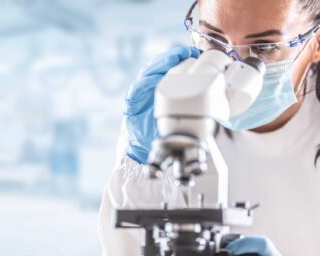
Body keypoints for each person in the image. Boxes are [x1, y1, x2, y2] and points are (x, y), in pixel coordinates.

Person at [98, 0, 320, 255]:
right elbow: (125, 247)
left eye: (263, 47)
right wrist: (138, 161)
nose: (232, 64)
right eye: (214, 42)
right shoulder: (166, 121)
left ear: (316, 43)